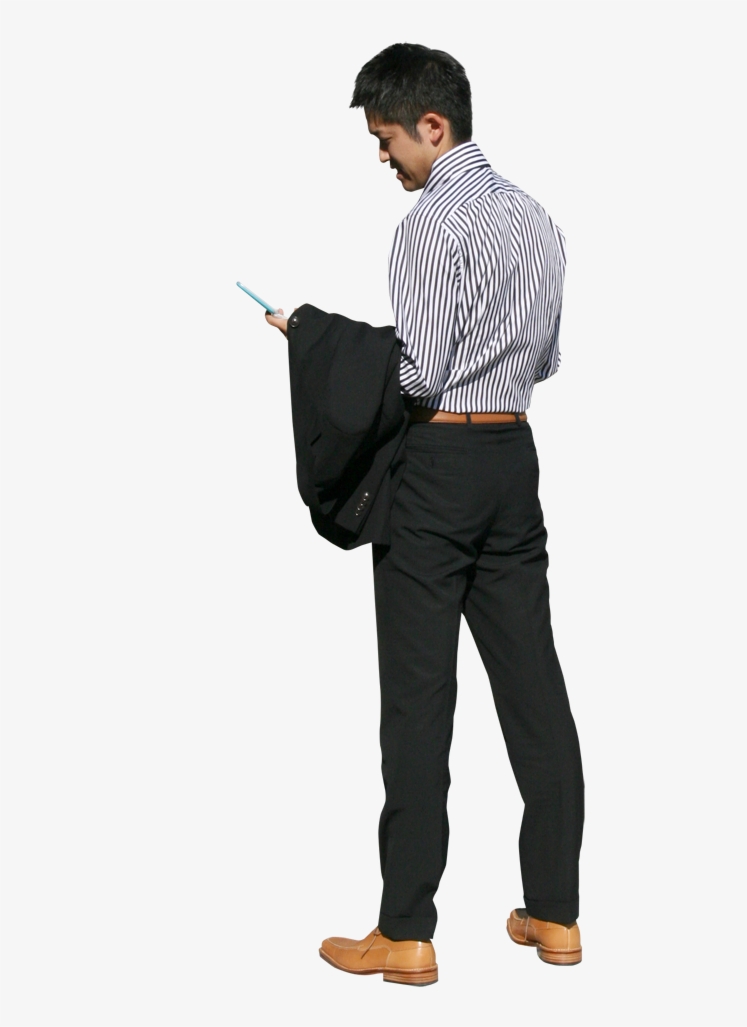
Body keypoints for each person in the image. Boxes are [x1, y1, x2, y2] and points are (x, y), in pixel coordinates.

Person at [267, 42, 584, 987]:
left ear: (432, 127)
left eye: (386, 138)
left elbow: (416, 375)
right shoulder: (538, 218)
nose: (382, 157)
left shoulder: (427, 227)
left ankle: (405, 931)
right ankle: (556, 912)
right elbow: (548, 361)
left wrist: (314, 336)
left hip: (438, 467)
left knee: (417, 703)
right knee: (535, 691)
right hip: (514, 459)